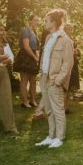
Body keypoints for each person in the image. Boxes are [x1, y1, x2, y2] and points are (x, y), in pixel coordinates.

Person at [34, 9, 74, 147]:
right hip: (45, 77)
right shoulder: (48, 37)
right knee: (49, 110)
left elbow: (68, 63)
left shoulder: (65, 40)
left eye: (46, 21)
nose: (44, 23)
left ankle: (60, 137)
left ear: (54, 22)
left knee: (58, 109)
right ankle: (51, 136)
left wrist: (58, 80)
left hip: (54, 79)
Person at [15, 14, 41, 109]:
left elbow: (37, 48)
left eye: (38, 21)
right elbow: (26, 46)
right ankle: (24, 102)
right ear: (30, 21)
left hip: (33, 56)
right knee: (24, 80)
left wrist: (37, 58)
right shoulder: (25, 30)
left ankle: (33, 100)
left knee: (33, 81)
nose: (37, 22)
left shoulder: (35, 32)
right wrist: (34, 57)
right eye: (35, 20)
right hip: (25, 56)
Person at [63, 23, 81, 111]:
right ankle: (63, 107)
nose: (70, 31)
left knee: (69, 87)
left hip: (73, 64)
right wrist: (74, 52)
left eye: (71, 29)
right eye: (68, 29)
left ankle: (66, 107)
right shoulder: (64, 39)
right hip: (67, 64)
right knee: (66, 86)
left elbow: (76, 52)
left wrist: (77, 52)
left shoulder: (71, 39)